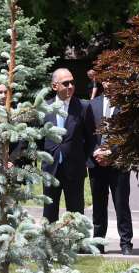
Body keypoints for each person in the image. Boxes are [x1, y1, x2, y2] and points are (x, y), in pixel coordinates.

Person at [42, 68, 94, 223]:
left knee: (75, 214)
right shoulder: (44, 108)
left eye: (72, 82)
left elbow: (90, 138)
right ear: (55, 86)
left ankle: (76, 239)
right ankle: (50, 239)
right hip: (50, 170)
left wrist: (84, 161)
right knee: (49, 214)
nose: (70, 86)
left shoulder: (83, 107)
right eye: (66, 83)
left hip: (74, 170)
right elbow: (38, 139)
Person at [85, 85, 133, 254]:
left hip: (118, 163)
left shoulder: (126, 104)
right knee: (98, 205)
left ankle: (126, 243)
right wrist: (96, 152)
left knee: (121, 204)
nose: (109, 83)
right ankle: (98, 243)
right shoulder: (92, 104)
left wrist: (111, 152)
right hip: (96, 163)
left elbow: (128, 134)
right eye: (105, 80)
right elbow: (87, 133)